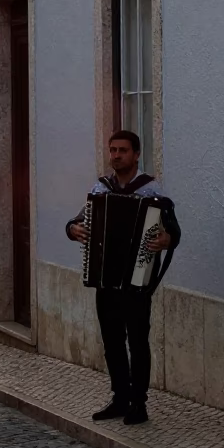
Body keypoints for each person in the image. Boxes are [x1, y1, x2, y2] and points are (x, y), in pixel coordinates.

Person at [67, 130, 181, 426]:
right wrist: (72, 229)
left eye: (122, 151)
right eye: (113, 150)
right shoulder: (101, 188)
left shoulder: (151, 191)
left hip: (137, 282)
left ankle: (139, 403)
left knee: (138, 343)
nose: (116, 156)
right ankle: (120, 397)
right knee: (112, 341)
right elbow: (79, 220)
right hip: (106, 281)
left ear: (136, 154)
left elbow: (173, 232)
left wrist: (166, 239)